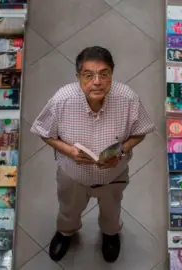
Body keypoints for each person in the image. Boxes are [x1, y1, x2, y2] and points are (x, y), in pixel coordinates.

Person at [30, 46, 155, 263]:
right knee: (68, 208)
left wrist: (122, 150)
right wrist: (69, 151)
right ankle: (66, 232)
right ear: (78, 77)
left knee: (112, 210)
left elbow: (140, 132)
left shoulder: (128, 98)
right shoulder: (62, 100)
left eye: (103, 74)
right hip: (72, 176)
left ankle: (110, 234)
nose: (97, 81)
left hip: (113, 176)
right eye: (89, 75)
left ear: (111, 74)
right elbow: (44, 133)